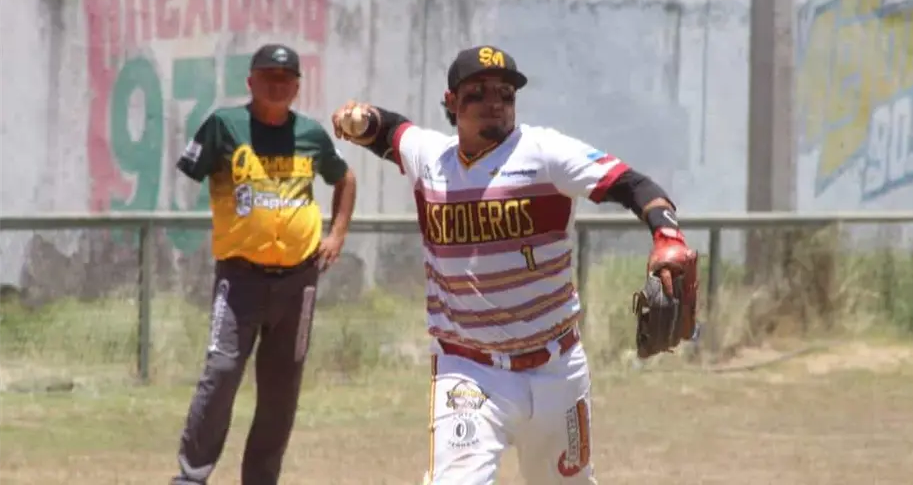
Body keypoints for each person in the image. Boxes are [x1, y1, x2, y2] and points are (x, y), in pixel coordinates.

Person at [330, 45, 696, 484]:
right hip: (467, 369)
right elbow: (389, 132)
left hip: (556, 367)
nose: (494, 103)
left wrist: (667, 235)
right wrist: (361, 119)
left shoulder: (544, 153)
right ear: (451, 102)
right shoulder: (432, 159)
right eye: (478, 92)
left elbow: (634, 185)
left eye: (505, 93)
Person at [171, 43, 357, 485]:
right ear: (250, 81)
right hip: (240, 280)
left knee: (280, 391)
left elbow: (343, 176)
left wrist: (337, 234)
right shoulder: (225, 125)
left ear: (296, 86)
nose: (277, 84)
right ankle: (190, 477)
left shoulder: (310, 134)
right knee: (220, 375)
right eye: (267, 76)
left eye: (285, 77)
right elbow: (191, 170)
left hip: (299, 282)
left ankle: (261, 479)